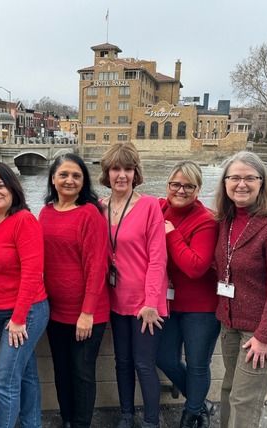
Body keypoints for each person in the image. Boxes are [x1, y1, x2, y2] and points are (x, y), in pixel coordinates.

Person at [214, 151, 267, 428]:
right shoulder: (225, 219)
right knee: (229, 390)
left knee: (246, 399)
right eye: (235, 177)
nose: (241, 184)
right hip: (230, 323)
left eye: (250, 178)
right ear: (225, 182)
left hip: (260, 330)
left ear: (262, 182)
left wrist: (264, 336)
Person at [0, 161, 49, 428]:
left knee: (4, 379)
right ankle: (32, 424)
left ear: (12, 188)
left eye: (0, 185)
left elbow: (32, 273)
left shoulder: (24, 220)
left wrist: (18, 319)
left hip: (26, 311)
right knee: (25, 374)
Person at [99, 142, 168, 428]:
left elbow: (157, 258)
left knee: (143, 365)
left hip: (145, 304)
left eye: (128, 168)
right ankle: (126, 416)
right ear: (107, 173)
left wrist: (151, 302)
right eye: (116, 168)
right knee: (122, 363)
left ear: (136, 173)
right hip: (115, 300)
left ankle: (151, 422)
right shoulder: (99, 207)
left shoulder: (150, 205)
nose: (122, 175)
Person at [39, 153, 110, 428]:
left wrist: (87, 312)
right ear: (53, 179)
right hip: (54, 310)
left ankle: (81, 424)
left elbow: (97, 266)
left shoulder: (90, 213)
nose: (70, 180)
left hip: (86, 311)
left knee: (81, 373)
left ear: (84, 181)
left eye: (76, 176)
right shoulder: (44, 212)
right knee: (61, 370)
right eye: (64, 174)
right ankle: (67, 420)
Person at [155, 161, 220, 428]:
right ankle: (201, 403)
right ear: (168, 185)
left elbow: (195, 267)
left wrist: (171, 235)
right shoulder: (158, 208)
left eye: (188, 186)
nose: (180, 190)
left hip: (201, 307)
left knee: (196, 364)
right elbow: (129, 206)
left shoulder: (207, 221)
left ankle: (191, 414)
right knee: (164, 359)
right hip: (168, 303)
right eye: (175, 184)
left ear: (198, 189)